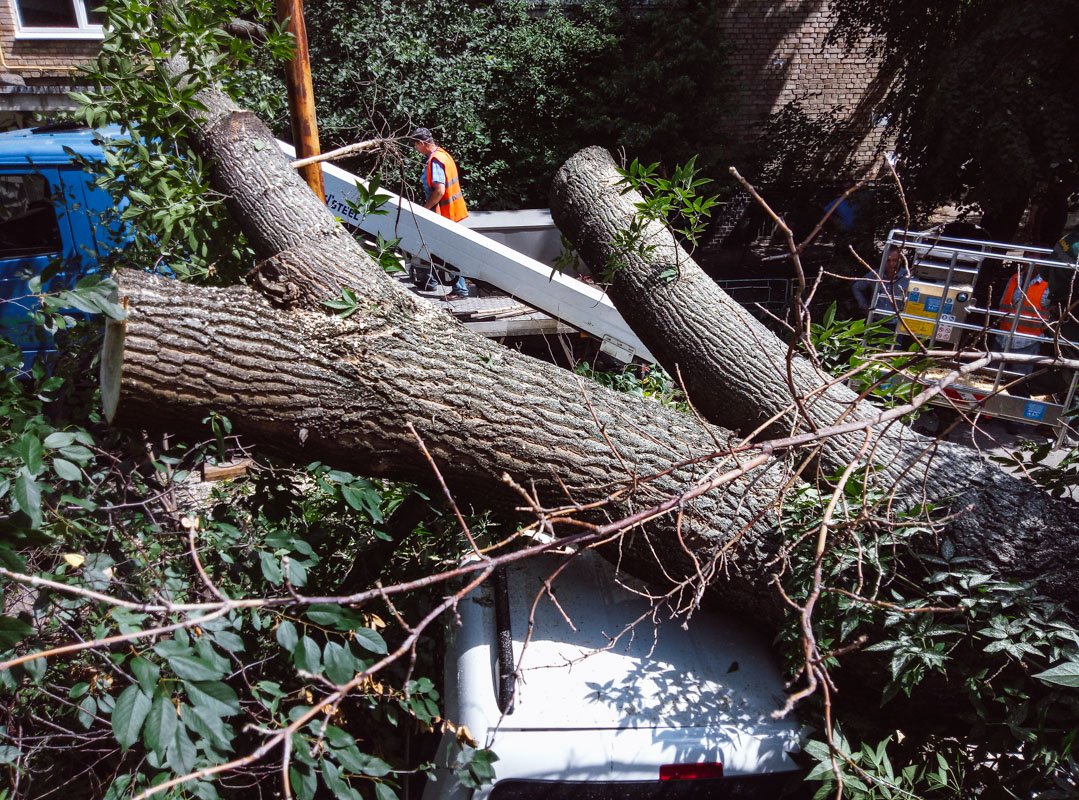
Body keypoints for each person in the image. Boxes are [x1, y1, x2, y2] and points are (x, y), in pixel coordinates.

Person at [410, 126, 469, 300]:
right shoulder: (443, 155)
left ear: (421, 143)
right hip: (452, 211)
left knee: (449, 253)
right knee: (445, 252)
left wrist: (425, 208)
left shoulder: (435, 161)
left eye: (415, 145)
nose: (415, 149)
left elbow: (439, 191)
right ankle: (437, 281)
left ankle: (460, 289)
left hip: (445, 214)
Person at [992, 264, 1051, 396]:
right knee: (991, 378)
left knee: (1018, 382)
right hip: (1002, 337)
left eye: (1036, 256)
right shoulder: (1014, 278)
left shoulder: (1047, 284)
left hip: (1028, 342)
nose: (1031, 260)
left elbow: (1050, 311)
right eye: (1029, 254)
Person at [852, 247, 911, 340]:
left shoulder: (907, 277)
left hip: (895, 324)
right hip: (875, 321)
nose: (891, 264)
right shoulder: (875, 274)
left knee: (892, 353)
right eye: (888, 260)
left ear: (900, 260)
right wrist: (864, 305)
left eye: (894, 260)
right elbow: (857, 287)